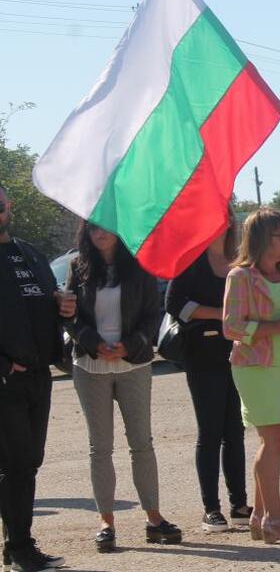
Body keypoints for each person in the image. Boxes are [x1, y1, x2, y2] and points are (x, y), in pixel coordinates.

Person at [66, 222, 182, 552]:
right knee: (100, 447)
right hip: (90, 365)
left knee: (141, 443)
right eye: (92, 229)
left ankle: (154, 519)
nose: (99, 234)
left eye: (105, 227)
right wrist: (92, 342)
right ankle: (106, 522)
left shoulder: (141, 264)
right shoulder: (78, 266)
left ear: (119, 229)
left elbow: (151, 314)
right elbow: (69, 315)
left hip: (134, 363)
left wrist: (130, 345)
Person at [223, 208, 280, 544]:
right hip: (254, 367)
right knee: (272, 441)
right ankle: (275, 520)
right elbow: (231, 326)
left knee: (275, 441)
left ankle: (261, 520)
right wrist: (277, 326)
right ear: (260, 238)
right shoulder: (240, 276)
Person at [0, 183, 73, 572]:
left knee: (28, 462)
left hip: (39, 375)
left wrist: (62, 304)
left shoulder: (30, 254)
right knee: (13, 463)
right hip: (6, 378)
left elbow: (50, 302)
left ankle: (17, 547)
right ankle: (20, 547)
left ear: (8, 204)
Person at [165, 210, 252, 532]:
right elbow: (174, 305)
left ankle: (239, 505)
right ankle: (211, 509)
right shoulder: (190, 259)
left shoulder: (239, 259)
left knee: (236, 432)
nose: (219, 222)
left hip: (238, 354)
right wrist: (220, 314)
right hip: (202, 356)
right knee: (210, 432)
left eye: (224, 216)